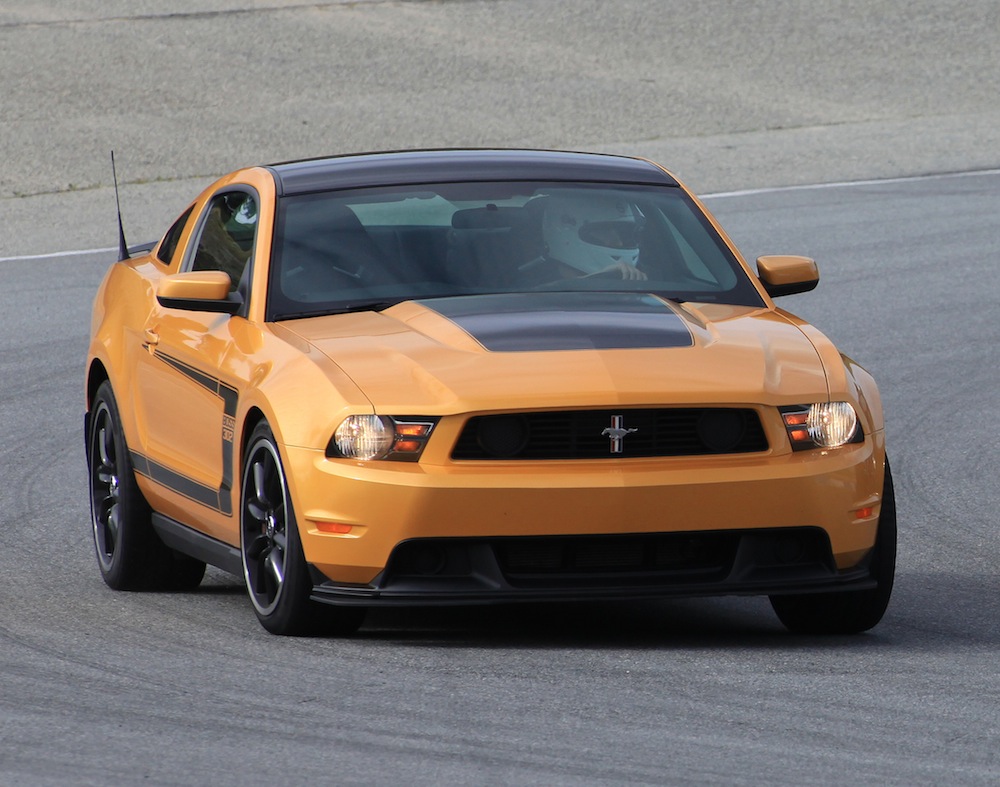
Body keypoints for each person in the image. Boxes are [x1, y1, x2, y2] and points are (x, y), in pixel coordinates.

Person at [519, 192, 647, 285]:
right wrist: (595, 280)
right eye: (603, 232)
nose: (618, 242)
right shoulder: (527, 288)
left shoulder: (647, 283)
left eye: (623, 233)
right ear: (565, 233)